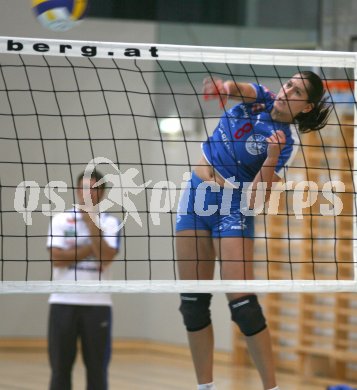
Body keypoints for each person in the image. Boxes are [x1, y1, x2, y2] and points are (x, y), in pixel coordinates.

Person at [176, 71, 332, 390]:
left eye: (297, 91)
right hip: (195, 196)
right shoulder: (262, 96)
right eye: (289, 83)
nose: (287, 91)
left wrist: (271, 158)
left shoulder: (286, 141)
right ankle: (204, 386)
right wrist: (224, 88)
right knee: (192, 302)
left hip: (234, 204)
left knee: (243, 306)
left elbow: (257, 199)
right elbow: (241, 89)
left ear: (305, 107)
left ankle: (270, 387)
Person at [47, 170, 121, 390]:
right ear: (77, 191)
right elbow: (57, 259)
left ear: (102, 193)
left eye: (93, 188)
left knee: (97, 369)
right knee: (60, 368)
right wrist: (92, 247)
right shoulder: (61, 219)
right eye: (83, 189)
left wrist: (90, 223)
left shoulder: (110, 223)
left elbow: (106, 258)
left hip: (98, 305)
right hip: (62, 302)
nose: (87, 194)